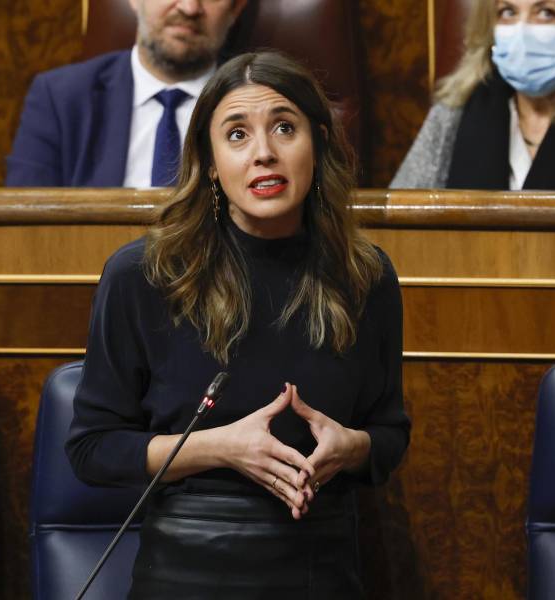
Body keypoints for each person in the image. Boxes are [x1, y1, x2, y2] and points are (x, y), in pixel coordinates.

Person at [66, 51, 411, 597]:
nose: (264, 154)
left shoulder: (365, 276)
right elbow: (93, 449)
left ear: (319, 145)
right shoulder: (144, 275)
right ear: (209, 159)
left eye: (283, 128)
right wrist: (219, 447)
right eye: (237, 135)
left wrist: (353, 447)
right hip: (185, 567)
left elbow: (391, 433)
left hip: (319, 565)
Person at [391, 0, 555, 190]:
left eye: (546, 13)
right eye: (508, 12)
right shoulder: (455, 111)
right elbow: (403, 224)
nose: (522, 31)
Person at [6, 0, 247, 187]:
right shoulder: (59, 97)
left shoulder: (255, 100)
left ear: (235, 10)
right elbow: (26, 227)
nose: (189, 7)